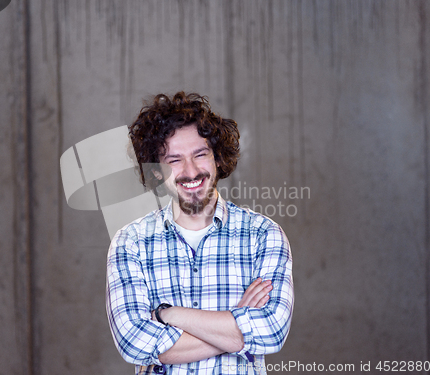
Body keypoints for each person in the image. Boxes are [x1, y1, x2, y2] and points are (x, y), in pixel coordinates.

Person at [106, 92, 293, 375]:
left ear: (218, 158)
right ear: (156, 171)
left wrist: (166, 314)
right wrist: (235, 326)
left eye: (200, 154)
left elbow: (271, 332)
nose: (190, 171)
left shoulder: (263, 235)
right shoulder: (130, 243)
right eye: (174, 160)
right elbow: (133, 342)